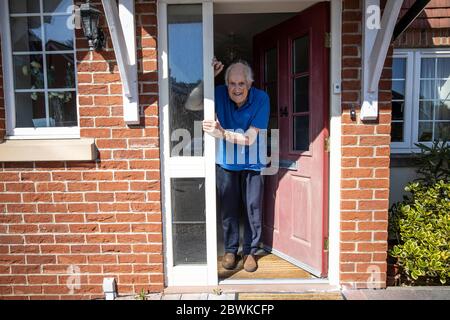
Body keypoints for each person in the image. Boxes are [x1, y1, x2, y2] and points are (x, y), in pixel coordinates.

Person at [187, 58, 270, 272]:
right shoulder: (219, 93)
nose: (236, 88)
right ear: (226, 84)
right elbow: (191, 103)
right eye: (232, 84)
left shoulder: (261, 99)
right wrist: (209, 78)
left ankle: (250, 251)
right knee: (229, 208)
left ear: (250, 84)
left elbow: (250, 138)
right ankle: (231, 250)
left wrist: (221, 133)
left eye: (241, 84)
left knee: (252, 208)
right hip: (225, 162)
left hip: (252, 162)